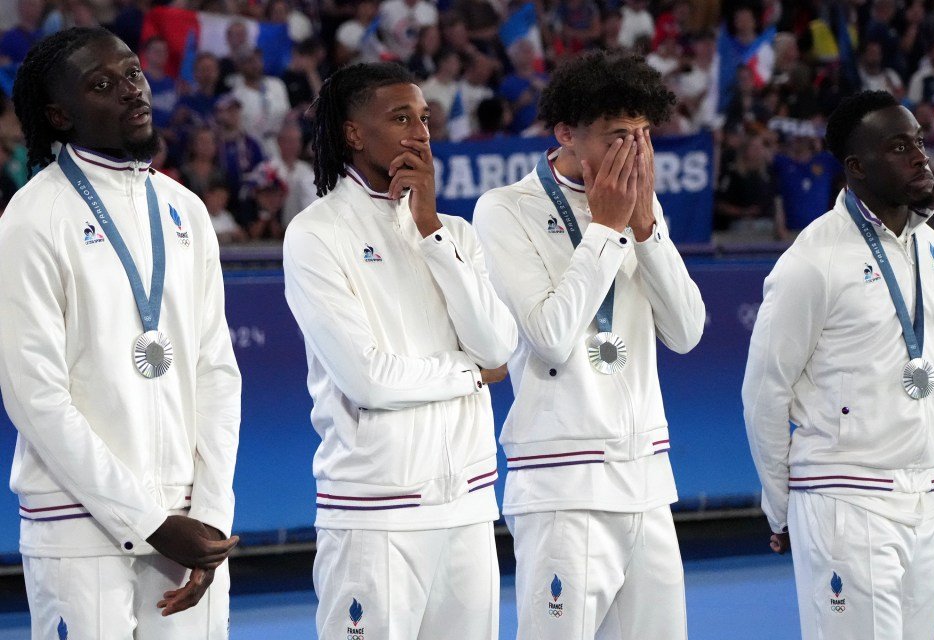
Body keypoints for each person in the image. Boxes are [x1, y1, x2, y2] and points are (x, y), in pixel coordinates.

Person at [0, 27, 242, 638]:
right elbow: (36, 398)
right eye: (101, 85)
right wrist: (149, 520)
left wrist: (210, 515)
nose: (132, 91)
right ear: (60, 114)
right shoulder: (32, 218)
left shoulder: (185, 209)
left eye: (132, 74)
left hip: (189, 527)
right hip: (79, 528)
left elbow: (217, 370)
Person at [473, 50, 705, 640]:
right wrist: (604, 229)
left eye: (644, 134)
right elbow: (550, 338)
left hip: (648, 482)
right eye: (618, 136)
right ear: (566, 135)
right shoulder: (504, 210)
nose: (636, 152)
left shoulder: (643, 210)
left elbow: (686, 332)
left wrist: (646, 230)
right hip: (563, 485)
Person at [283, 62, 518, 640]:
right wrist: (469, 374)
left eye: (423, 117)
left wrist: (431, 230)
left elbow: (499, 346)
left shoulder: (454, 232)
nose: (419, 131)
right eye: (399, 118)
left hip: (468, 504)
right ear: (353, 133)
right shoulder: (316, 233)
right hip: (374, 512)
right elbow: (371, 381)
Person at [742, 90, 934, 640]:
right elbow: (764, 393)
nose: (920, 157)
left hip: (926, 495)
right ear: (856, 168)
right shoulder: (811, 261)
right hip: (844, 498)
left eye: (920, 143)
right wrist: (781, 506)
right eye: (899, 147)